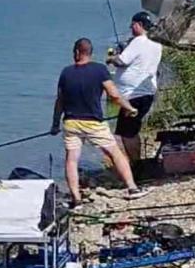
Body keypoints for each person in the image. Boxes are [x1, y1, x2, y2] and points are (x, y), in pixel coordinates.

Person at [51, 38, 151, 207]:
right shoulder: (99, 70)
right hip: (94, 123)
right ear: (89, 52)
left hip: (71, 123)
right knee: (115, 153)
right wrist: (129, 108)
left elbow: (60, 101)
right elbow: (114, 95)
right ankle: (132, 189)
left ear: (76, 52)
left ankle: (76, 198)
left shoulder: (66, 72)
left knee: (72, 160)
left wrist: (55, 124)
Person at [106, 11, 162, 163]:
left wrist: (111, 58)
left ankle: (136, 166)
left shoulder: (138, 41)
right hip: (147, 94)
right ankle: (138, 163)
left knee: (127, 133)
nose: (131, 27)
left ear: (140, 25)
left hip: (133, 95)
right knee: (133, 130)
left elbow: (121, 62)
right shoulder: (157, 44)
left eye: (133, 24)